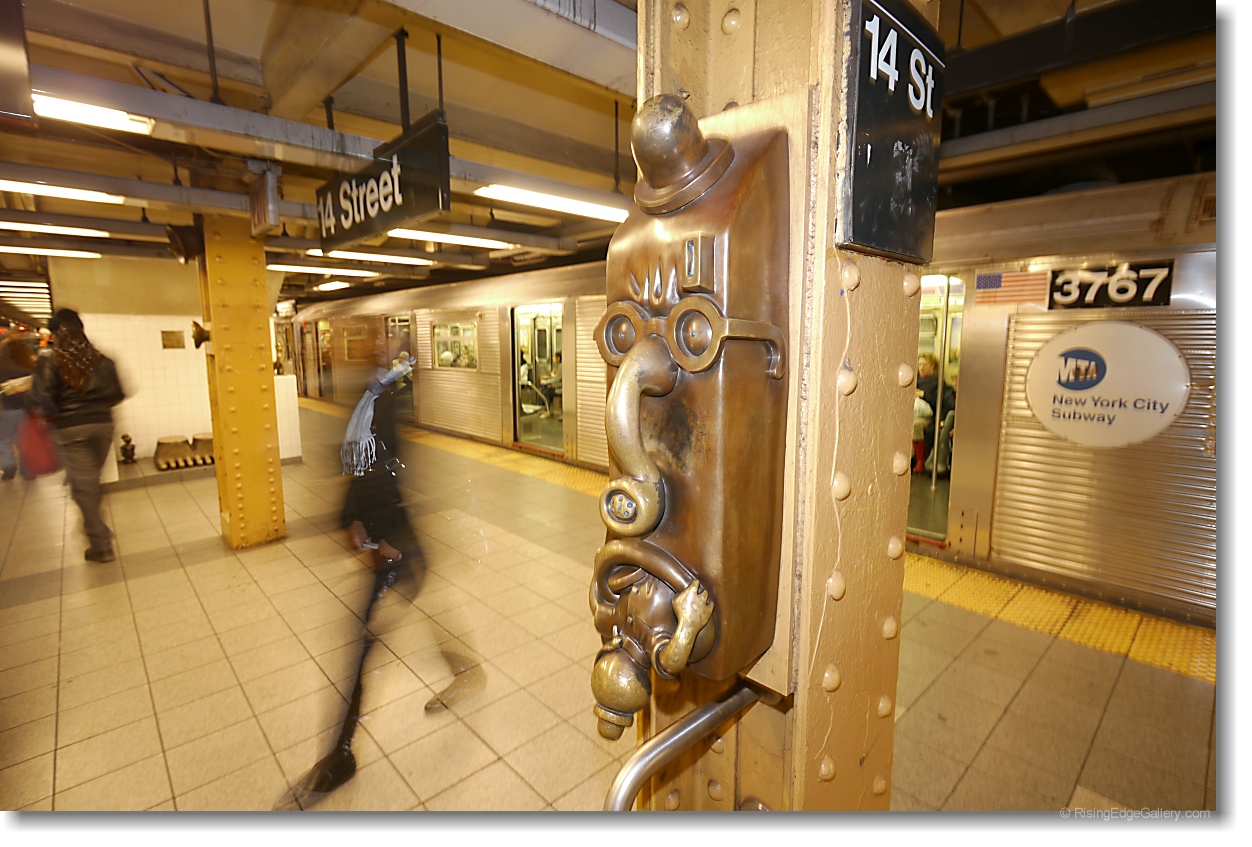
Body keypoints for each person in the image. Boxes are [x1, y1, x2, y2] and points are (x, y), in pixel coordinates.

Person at [289, 334, 481, 804]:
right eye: (377, 338)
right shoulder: (372, 391)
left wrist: (391, 531)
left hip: (397, 542)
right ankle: (466, 668)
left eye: (389, 340)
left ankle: (341, 751)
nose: (379, 344)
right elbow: (358, 462)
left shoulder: (391, 397)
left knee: (363, 642)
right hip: (390, 540)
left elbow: (393, 468)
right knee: (409, 609)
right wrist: (352, 517)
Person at [31, 310, 125, 562]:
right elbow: (118, 394)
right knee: (88, 481)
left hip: (71, 430)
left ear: (55, 333)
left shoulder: (50, 360)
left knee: (85, 487)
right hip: (102, 426)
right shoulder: (102, 359)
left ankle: (101, 544)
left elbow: (43, 398)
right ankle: (96, 530)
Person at [0, 336, 38, 480]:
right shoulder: (29, 366)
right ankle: (28, 471)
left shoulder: (1, 366)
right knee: (26, 441)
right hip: (28, 408)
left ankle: (7, 464)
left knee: (4, 440)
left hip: (6, 408)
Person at [539, 352, 562, 417]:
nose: (553, 358)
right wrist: (548, 377)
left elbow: (557, 379)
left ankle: (546, 411)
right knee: (545, 391)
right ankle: (545, 409)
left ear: (558, 358)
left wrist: (545, 382)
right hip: (558, 386)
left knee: (547, 392)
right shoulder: (559, 366)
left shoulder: (561, 366)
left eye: (554, 357)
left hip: (561, 388)